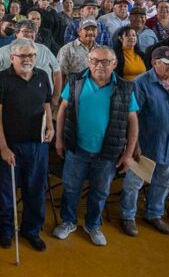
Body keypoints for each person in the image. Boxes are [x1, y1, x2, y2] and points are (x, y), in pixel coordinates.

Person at [52, 46, 139, 247]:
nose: (99, 65)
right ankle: (68, 221)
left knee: (100, 192)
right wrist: (59, 139)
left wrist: (128, 154)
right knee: (71, 187)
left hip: (107, 153)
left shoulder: (125, 88)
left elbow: (133, 122)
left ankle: (92, 225)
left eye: (105, 61)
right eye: (95, 61)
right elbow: (63, 109)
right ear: (88, 62)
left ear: (114, 63)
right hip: (77, 149)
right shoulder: (76, 82)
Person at [0, 38, 54, 251]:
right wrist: (3, 147)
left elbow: (46, 104)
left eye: (31, 56)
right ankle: (6, 229)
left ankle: (31, 230)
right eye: (23, 56)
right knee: (5, 192)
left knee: (35, 190)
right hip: (11, 145)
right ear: (12, 58)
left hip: (38, 145)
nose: (27, 60)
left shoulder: (42, 76)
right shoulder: (1, 79)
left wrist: (51, 126)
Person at [120, 47, 169, 237]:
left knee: (163, 182)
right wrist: (134, 145)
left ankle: (154, 214)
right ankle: (128, 216)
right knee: (133, 183)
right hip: (146, 143)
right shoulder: (141, 84)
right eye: (168, 63)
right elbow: (132, 117)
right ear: (154, 63)